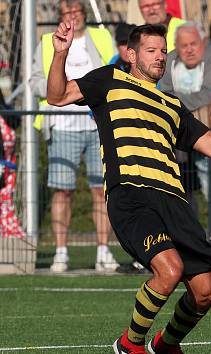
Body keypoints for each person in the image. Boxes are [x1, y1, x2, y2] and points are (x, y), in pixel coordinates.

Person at [46, 23, 211, 353]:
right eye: (152, 51)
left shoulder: (172, 103)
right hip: (131, 194)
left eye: (163, 51)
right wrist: (61, 53)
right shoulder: (109, 80)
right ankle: (130, 344)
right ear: (131, 54)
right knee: (169, 271)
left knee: (207, 292)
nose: (160, 57)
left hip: (174, 201)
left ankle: (166, 345)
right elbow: (56, 96)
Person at [29, 0, 118, 273]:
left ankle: (104, 251)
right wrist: (61, 90)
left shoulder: (102, 37)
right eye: (67, 12)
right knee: (62, 191)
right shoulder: (46, 42)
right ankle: (60, 251)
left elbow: (115, 72)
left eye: (77, 12)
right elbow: (33, 81)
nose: (73, 16)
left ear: (84, 14)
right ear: (60, 16)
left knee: (100, 190)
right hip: (62, 125)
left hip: (97, 125)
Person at [160, 22, 211, 200]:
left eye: (194, 44)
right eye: (183, 46)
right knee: (181, 185)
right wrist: (189, 103)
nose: (189, 50)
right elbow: (163, 93)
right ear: (176, 46)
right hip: (180, 135)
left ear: (204, 41)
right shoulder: (170, 61)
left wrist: (176, 101)